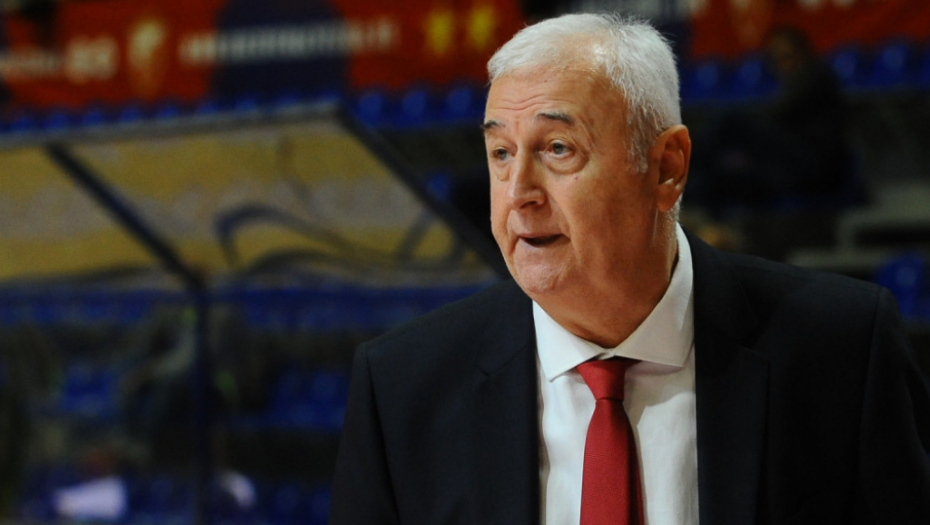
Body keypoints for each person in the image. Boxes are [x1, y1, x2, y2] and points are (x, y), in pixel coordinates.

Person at [329, 13, 930, 525]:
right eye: (501, 153)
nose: (517, 194)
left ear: (666, 168)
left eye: (558, 149)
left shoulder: (842, 351)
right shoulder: (401, 389)